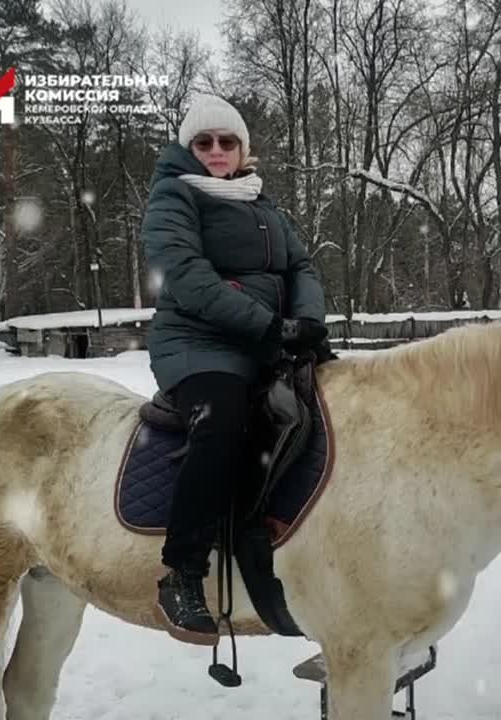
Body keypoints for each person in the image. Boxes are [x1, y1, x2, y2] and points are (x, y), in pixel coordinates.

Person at [141, 93, 328, 643]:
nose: (216, 150)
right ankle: (182, 570)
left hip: (269, 341)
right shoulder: (174, 196)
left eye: (227, 141)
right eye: (204, 142)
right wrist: (270, 326)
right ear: (189, 148)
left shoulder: (262, 202)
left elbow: (301, 265)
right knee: (222, 422)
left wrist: (307, 322)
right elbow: (188, 277)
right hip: (198, 344)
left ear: (243, 148)